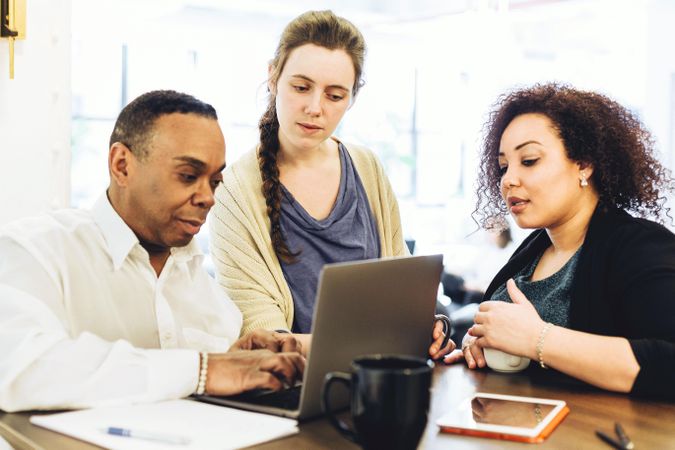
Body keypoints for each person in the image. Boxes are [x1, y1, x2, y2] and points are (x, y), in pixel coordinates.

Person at [0, 90, 304, 413]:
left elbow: (202, 381)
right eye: (188, 176)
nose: (208, 198)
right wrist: (204, 369)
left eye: (214, 182)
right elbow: (21, 367)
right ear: (122, 165)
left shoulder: (207, 292)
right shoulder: (34, 251)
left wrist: (234, 359)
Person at [210, 10, 453, 359]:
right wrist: (379, 341)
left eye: (335, 96)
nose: (314, 108)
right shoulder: (234, 190)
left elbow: (400, 279)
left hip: (378, 381)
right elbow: (263, 336)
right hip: (290, 390)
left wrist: (425, 325)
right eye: (301, 87)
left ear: (352, 98)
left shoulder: (366, 167)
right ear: (272, 77)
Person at [446, 83, 675, 399]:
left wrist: (538, 339)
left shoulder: (639, 246)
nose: (509, 179)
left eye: (529, 160)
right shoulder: (534, 249)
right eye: (503, 166)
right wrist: (484, 347)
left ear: (583, 164)